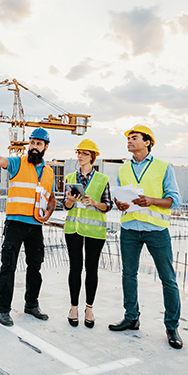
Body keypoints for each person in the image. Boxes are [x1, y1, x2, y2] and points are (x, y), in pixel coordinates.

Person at [109, 124, 184, 349]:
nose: (129, 141)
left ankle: (172, 327)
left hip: (156, 230)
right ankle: (131, 317)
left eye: (134, 138)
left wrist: (152, 200)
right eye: (128, 138)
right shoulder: (123, 169)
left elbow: (175, 200)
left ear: (147, 142)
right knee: (128, 274)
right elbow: (121, 197)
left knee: (168, 279)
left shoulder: (163, 167)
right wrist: (119, 203)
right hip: (130, 228)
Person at [0, 128, 57, 326]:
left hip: (36, 225)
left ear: (45, 147)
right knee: (8, 266)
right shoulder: (17, 163)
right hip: (15, 224)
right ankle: (3, 310)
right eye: (32, 143)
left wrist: (49, 212)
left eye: (38, 144)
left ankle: (31, 304)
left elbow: (51, 198)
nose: (34, 147)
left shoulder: (49, 172)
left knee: (35, 267)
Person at [63, 139, 112, 328]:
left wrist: (95, 203)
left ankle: (89, 309)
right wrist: (69, 201)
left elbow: (107, 206)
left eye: (84, 153)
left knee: (92, 269)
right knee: (75, 268)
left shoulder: (102, 179)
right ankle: (74, 308)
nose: (80, 156)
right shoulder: (69, 177)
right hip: (73, 229)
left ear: (92, 156)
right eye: (79, 153)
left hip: (95, 231)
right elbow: (66, 206)